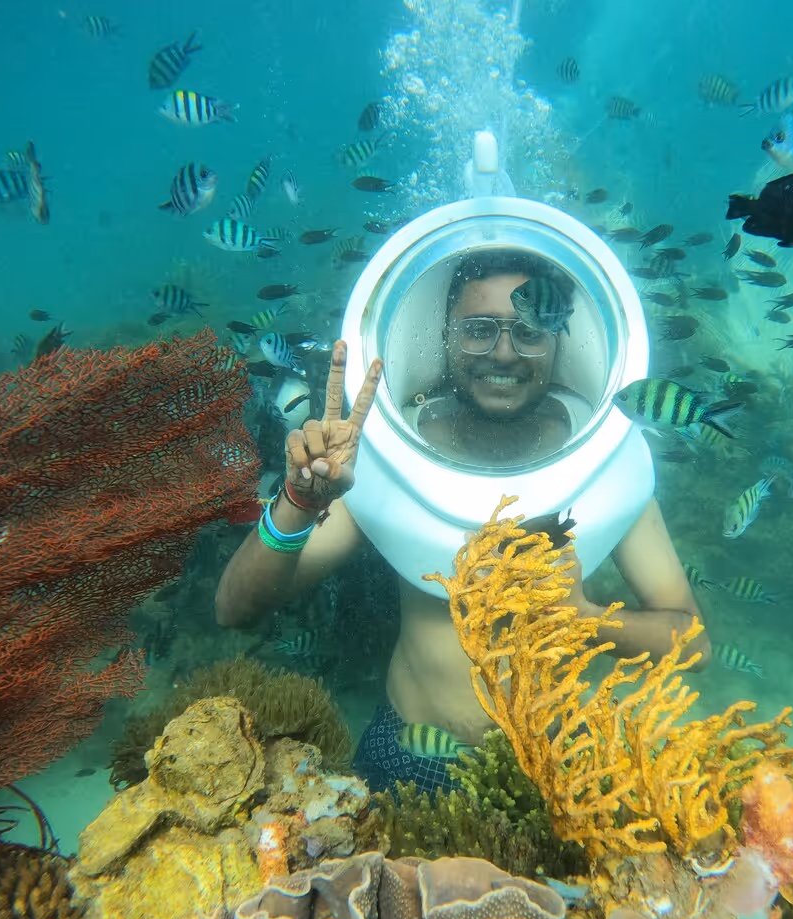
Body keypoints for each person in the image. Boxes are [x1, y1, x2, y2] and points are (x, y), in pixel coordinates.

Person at [216, 251, 711, 795]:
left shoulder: (600, 459)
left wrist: (581, 618)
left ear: (559, 337)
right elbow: (236, 608)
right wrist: (298, 500)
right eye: (478, 330)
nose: (504, 352)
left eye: (528, 329)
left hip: (556, 765)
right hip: (411, 754)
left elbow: (693, 645)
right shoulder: (384, 455)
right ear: (445, 335)